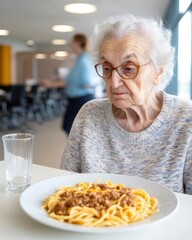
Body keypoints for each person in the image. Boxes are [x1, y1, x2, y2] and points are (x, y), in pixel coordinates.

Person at [61, 15, 192, 195]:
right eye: (107, 68)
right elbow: (65, 189)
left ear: (158, 72)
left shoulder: (186, 119)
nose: (114, 83)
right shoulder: (89, 115)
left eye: (129, 68)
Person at [42, 34, 96, 134]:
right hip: (76, 100)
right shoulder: (79, 60)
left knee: (72, 128)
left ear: (78, 43)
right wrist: (51, 84)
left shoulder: (83, 62)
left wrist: (54, 84)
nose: (70, 44)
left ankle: (77, 149)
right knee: (70, 127)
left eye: (72, 42)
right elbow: (69, 82)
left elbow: (86, 83)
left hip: (81, 100)